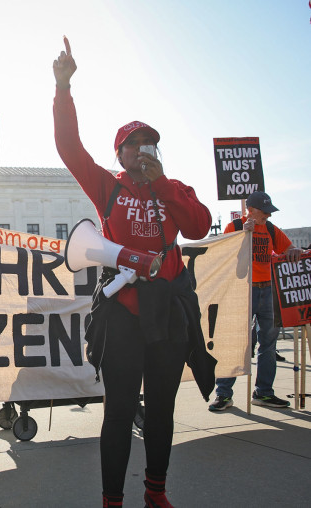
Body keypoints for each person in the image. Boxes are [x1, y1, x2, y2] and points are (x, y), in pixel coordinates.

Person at [53, 37, 215, 508]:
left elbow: (199, 225)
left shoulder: (175, 188)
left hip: (167, 312)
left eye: (151, 143)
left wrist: (162, 184)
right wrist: (63, 88)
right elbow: (68, 147)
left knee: (162, 409)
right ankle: (112, 499)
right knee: (119, 410)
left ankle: (155, 492)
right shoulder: (107, 185)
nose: (144, 149)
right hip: (122, 313)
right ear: (120, 153)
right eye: (135, 144)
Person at [209, 191, 303, 412]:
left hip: (268, 290)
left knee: (268, 345)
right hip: (243, 290)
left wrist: (295, 251)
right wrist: (243, 234)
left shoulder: (271, 229)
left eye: (270, 213)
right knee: (235, 343)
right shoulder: (234, 227)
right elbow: (225, 256)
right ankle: (223, 394)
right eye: (265, 212)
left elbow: (288, 248)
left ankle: (264, 392)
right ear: (250, 210)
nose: (268, 217)